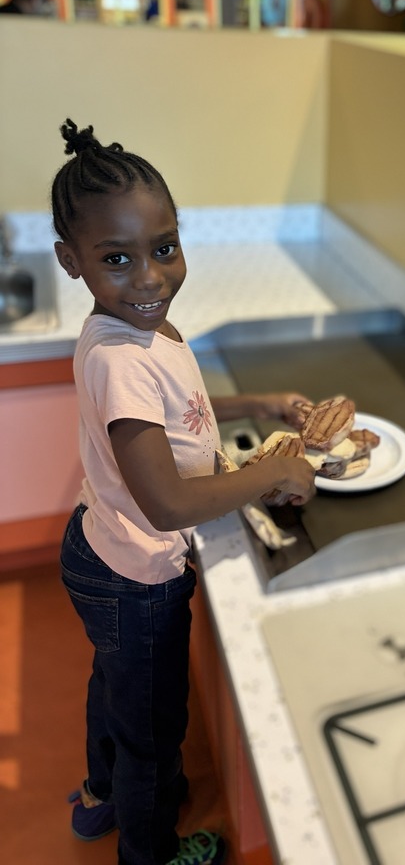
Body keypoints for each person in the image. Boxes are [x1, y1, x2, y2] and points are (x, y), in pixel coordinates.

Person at [51, 119, 317, 865]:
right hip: (135, 579)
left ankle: (98, 796)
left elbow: (183, 411)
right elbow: (167, 503)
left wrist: (256, 403)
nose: (150, 277)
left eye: (164, 248)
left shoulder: (140, 329)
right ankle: (150, 853)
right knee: (152, 736)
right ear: (72, 261)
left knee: (114, 687)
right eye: (117, 259)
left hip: (99, 548)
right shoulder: (122, 359)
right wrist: (269, 473)